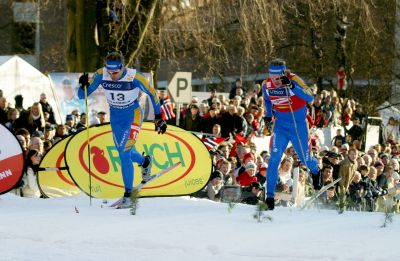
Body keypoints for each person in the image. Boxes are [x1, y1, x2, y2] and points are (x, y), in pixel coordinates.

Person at [78, 52, 166, 208]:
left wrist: (159, 117)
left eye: (115, 72)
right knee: (122, 151)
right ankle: (145, 161)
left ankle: (128, 195)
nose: (111, 75)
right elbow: (81, 96)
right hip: (116, 119)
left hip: (133, 115)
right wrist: (83, 85)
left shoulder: (134, 77)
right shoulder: (101, 74)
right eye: (109, 71)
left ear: (122, 67)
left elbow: (153, 93)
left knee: (124, 153)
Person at [261, 58, 319, 210]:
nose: (275, 81)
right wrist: (268, 115)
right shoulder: (266, 85)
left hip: (298, 125)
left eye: (278, 78)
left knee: (305, 159)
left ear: (284, 74)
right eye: (272, 78)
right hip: (280, 126)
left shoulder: (294, 79)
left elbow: (310, 97)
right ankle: (270, 197)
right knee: (274, 159)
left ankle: (315, 170)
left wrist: (292, 86)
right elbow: (267, 100)